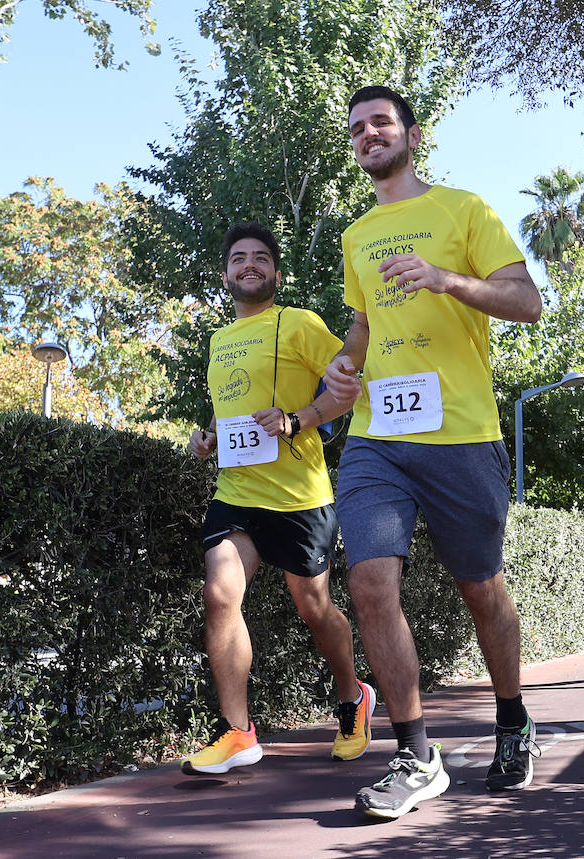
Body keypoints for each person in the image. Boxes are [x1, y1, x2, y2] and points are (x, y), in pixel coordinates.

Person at [322, 85, 543, 819]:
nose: (368, 134)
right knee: (369, 581)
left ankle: (513, 716)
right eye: (356, 128)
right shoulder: (355, 236)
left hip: (461, 433)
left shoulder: (464, 210)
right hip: (379, 438)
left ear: (412, 134)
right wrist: (343, 364)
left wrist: (446, 278)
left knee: (482, 590)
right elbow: (362, 328)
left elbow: (527, 299)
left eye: (380, 122)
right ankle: (416, 754)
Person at [182, 222, 372, 776]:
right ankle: (238, 733)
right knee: (219, 595)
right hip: (236, 492)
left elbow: (348, 385)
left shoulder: (300, 324)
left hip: (297, 496)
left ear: (275, 273)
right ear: (225, 274)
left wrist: (297, 420)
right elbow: (228, 406)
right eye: (238, 258)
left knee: (314, 609)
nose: (248, 265)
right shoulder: (218, 341)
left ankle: (352, 695)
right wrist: (206, 435)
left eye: (260, 258)